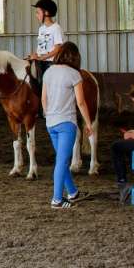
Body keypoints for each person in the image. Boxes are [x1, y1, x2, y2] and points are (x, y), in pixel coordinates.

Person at [42, 42, 94, 209]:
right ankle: (57, 199)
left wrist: (48, 115)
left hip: (50, 123)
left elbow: (44, 99)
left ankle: (72, 192)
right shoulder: (74, 74)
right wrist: (88, 123)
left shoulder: (48, 72)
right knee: (62, 162)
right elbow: (81, 102)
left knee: (61, 159)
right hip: (66, 124)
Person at [28, 0, 64, 103]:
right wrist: (35, 55)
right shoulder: (41, 29)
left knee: (47, 85)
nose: (36, 15)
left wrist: (41, 57)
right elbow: (40, 47)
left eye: (38, 12)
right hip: (41, 61)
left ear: (46, 13)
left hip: (51, 62)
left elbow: (58, 49)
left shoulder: (56, 28)